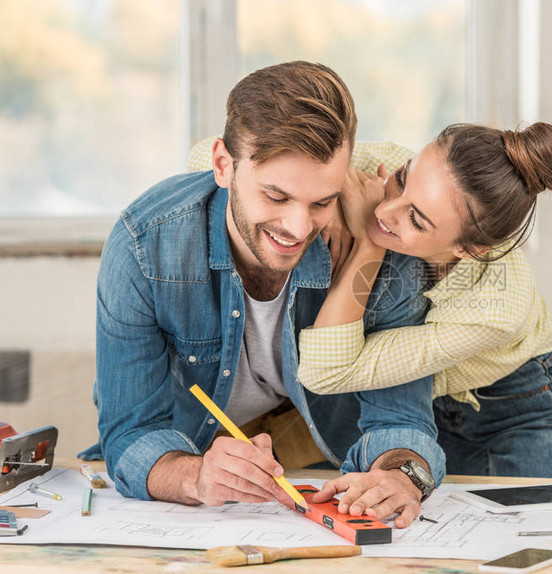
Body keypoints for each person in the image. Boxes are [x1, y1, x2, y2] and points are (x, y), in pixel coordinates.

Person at [79, 61, 445, 528]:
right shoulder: (145, 244)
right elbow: (130, 436)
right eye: (276, 196)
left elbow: (401, 422)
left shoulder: (386, 255)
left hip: (323, 472)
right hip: (193, 470)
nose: (298, 228)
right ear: (223, 165)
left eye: (321, 202)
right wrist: (196, 477)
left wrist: (404, 477)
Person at [297, 122, 552, 478]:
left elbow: (324, 373)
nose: (383, 211)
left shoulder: (496, 311)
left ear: (469, 249)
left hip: (524, 410)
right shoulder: (389, 164)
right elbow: (230, 157)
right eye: (402, 180)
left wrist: (369, 242)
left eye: (416, 220)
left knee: (531, 531)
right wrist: (330, 187)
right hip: (428, 408)